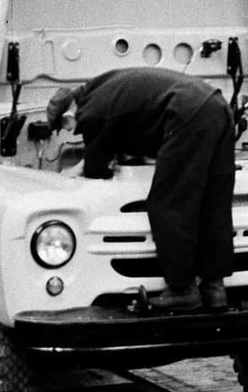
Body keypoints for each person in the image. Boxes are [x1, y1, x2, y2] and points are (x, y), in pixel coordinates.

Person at [46, 67, 235, 312]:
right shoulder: (100, 89)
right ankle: (214, 288)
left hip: (185, 114)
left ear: (68, 115)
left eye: (65, 127)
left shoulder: (91, 112)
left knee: (168, 203)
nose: (70, 132)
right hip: (216, 105)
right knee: (212, 201)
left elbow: (97, 171)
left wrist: (77, 172)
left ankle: (182, 290)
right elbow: (125, 122)